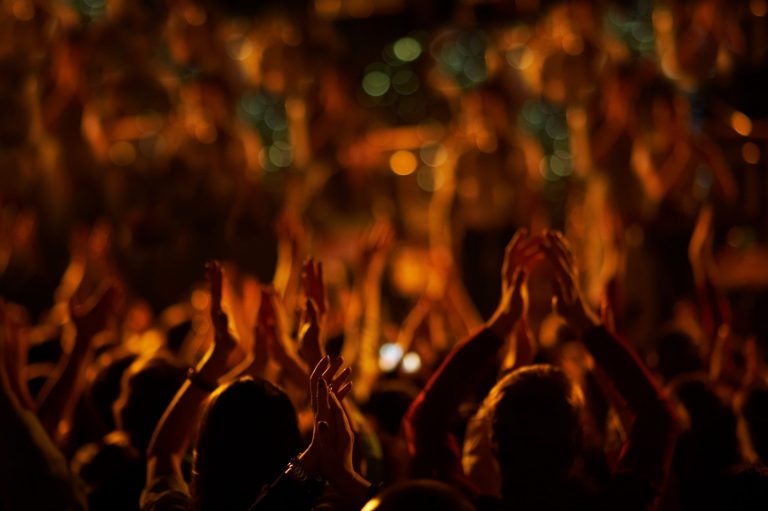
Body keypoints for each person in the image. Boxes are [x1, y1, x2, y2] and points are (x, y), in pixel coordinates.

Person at [406, 229, 679, 510]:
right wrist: (583, 320)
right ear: (579, 439)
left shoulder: (463, 507)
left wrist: (501, 322)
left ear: (494, 442)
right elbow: (657, 418)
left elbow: (426, 419)